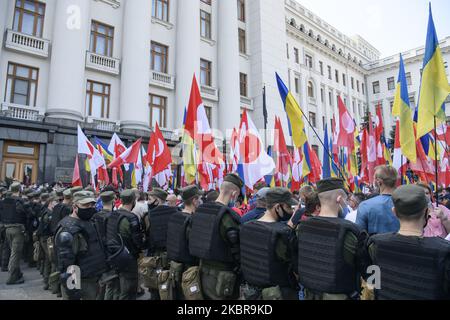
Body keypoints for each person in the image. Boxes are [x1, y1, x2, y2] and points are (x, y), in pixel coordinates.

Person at [366, 185, 450, 299]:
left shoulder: (375, 244)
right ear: (427, 212)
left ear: (394, 212)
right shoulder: (444, 251)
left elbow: (373, 284)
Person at [296, 178, 367, 300]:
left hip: (310, 294)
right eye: (345, 200)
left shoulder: (301, 227)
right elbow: (366, 269)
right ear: (339, 199)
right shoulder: (351, 231)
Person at [189, 174, 244, 300]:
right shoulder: (227, 216)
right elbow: (236, 248)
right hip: (222, 277)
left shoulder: (201, 210)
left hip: (200, 272)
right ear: (234, 193)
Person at [240, 188, 298, 300]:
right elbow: (295, 269)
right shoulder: (283, 233)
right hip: (279, 294)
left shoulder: (246, 226)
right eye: (288, 207)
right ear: (277, 207)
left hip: (251, 293)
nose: (290, 211)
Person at [54, 191, 107, 300]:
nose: (90, 208)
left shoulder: (90, 221)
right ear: (75, 206)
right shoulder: (68, 230)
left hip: (92, 277)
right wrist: (73, 291)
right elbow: (66, 265)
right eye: (85, 205)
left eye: (92, 204)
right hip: (79, 281)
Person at [105, 189, 146, 300]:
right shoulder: (131, 218)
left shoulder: (112, 215)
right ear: (133, 201)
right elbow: (137, 242)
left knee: (115, 288)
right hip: (128, 258)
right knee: (129, 290)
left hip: (113, 256)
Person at [166, 185, 203, 299]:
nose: (201, 201)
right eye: (199, 198)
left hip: (174, 266)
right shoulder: (193, 220)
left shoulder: (174, 215)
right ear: (194, 200)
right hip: (189, 269)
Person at [143, 188, 178, 300]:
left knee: (155, 287)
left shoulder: (148, 216)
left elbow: (146, 237)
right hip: (172, 256)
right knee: (171, 288)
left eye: (150, 199)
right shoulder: (176, 213)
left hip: (155, 257)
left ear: (157, 200)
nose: (148, 202)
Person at [2, 182, 33, 285]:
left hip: (7, 229)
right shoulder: (20, 201)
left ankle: (17, 274)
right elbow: (30, 214)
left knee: (13, 252)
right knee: (15, 254)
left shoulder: (4, 201)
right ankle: (12, 278)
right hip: (18, 229)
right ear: (20, 190)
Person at [356, 166, 400, 235]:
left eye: (374, 178)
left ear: (379, 182)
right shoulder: (406, 203)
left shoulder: (365, 205)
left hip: (375, 245)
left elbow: (359, 235)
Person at [92, 191, 116, 300]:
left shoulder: (95, 216)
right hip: (109, 251)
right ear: (113, 201)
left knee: (100, 281)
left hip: (97, 251)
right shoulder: (113, 216)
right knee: (110, 283)